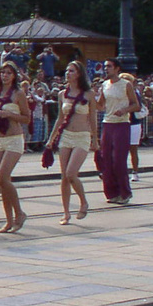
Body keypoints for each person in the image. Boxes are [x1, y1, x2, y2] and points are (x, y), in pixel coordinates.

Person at [49, 61, 97, 225]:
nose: (68, 73)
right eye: (67, 70)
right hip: (66, 135)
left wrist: (95, 139)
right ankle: (66, 212)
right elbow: (60, 118)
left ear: (79, 74)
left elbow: (93, 119)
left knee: (71, 173)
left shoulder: (88, 94)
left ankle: (83, 201)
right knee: (64, 176)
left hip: (82, 135)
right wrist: (51, 138)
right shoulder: (62, 93)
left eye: (72, 71)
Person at [0, 61, 30, 233]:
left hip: (14, 138)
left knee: (3, 178)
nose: (5, 75)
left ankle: (19, 213)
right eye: (2, 72)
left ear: (14, 76)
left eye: (8, 73)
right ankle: (9, 219)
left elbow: (26, 118)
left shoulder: (18, 93)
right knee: (1, 182)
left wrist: (10, 114)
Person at [96, 60, 139, 205]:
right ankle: (112, 192)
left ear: (117, 69)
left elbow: (136, 105)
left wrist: (124, 110)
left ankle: (125, 192)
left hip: (122, 124)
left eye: (109, 66)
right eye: (105, 66)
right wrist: (89, 99)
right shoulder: (104, 85)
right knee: (106, 159)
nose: (106, 69)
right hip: (107, 124)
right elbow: (101, 106)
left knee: (119, 160)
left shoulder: (126, 85)